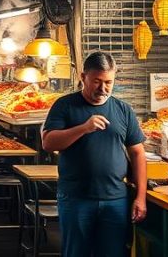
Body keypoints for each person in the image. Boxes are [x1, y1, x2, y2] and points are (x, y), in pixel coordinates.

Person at [42, 51, 147, 257]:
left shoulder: (123, 110)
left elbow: (137, 153)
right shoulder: (64, 105)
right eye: (97, 81)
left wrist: (141, 197)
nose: (103, 88)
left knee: (113, 253)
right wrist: (83, 128)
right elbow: (48, 142)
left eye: (108, 82)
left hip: (115, 199)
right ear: (83, 77)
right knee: (76, 252)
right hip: (76, 198)